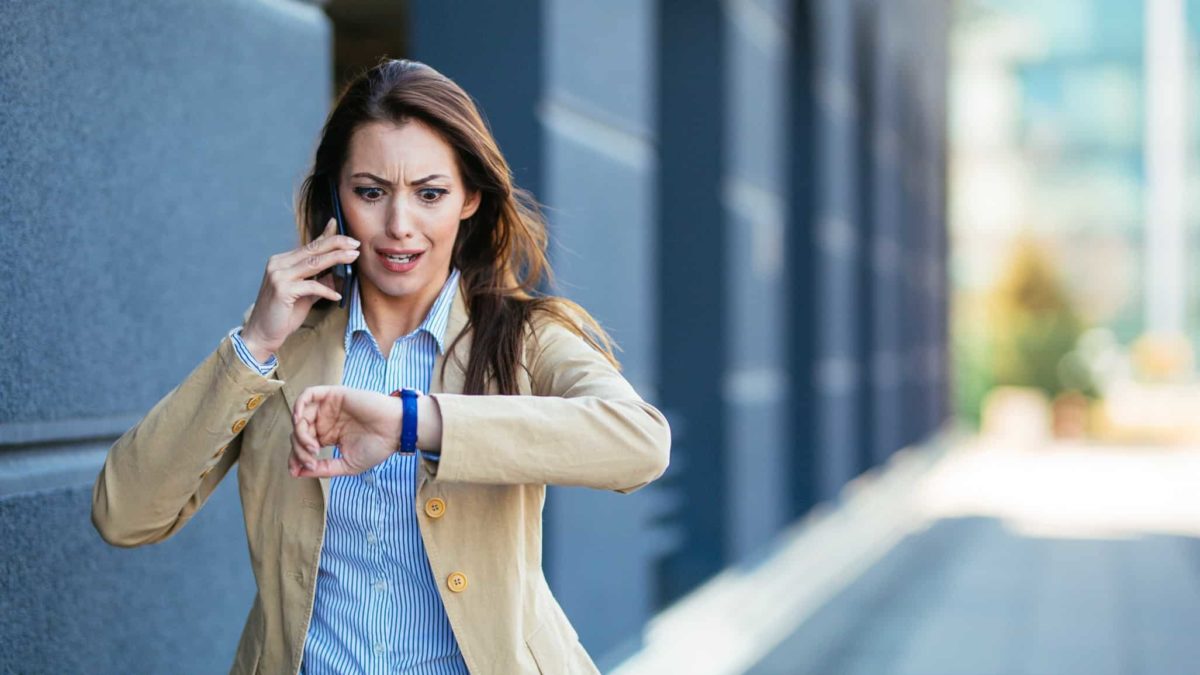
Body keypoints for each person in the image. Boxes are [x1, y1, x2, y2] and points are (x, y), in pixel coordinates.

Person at [91, 58, 671, 675]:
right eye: (370, 193)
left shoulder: (525, 336)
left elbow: (639, 441)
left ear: (470, 198)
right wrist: (254, 343)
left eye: (430, 194)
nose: (399, 227)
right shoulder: (284, 346)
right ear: (336, 196)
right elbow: (125, 515)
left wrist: (412, 422)